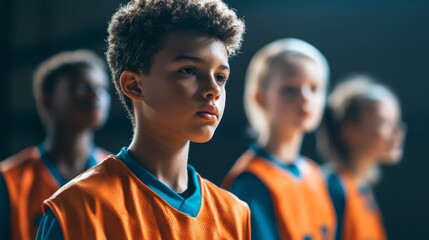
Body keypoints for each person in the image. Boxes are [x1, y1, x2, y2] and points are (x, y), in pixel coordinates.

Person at [36, 0, 249, 239]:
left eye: (220, 76)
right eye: (188, 70)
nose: (213, 89)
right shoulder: (80, 208)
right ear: (134, 85)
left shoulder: (234, 214)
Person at [222, 38, 336, 240]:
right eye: (290, 89)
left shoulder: (315, 174)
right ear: (260, 98)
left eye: (314, 88)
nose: (305, 98)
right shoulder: (251, 180)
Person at [0, 49, 111, 240]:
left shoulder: (118, 175)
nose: (96, 95)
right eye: (81, 87)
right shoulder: (9, 180)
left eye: (102, 88)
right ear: (47, 98)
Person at [317, 74, 406, 240]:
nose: (398, 131)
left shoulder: (361, 188)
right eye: (385, 122)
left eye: (397, 121)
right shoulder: (332, 188)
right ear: (350, 131)